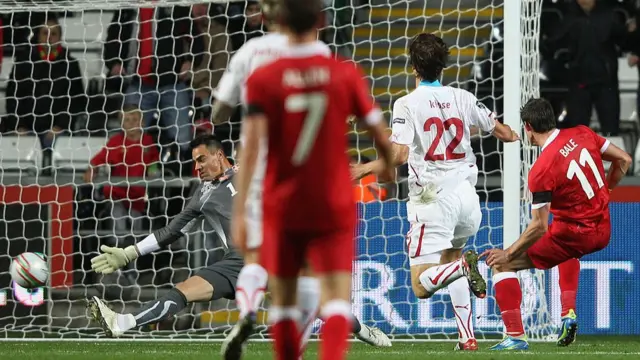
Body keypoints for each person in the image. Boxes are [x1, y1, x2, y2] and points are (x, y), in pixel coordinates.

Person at [214, 2, 391, 359]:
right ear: (323, 21)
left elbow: (247, 147)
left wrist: (240, 210)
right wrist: (386, 164)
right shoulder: (340, 71)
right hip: (332, 197)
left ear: (273, 18)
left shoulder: (263, 77)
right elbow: (380, 135)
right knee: (335, 297)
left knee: (281, 296)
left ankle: (256, 314)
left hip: (283, 196)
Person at [350, 32, 520, 351]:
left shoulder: (407, 103)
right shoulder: (464, 97)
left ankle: (463, 269)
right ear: (444, 66)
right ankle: (467, 337)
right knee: (452, 256)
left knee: (420, 285)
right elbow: (502, 131)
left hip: (431, 198)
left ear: (414, 67)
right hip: (468, 199)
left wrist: (361, 169)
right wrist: (514, 134)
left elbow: (399, 155)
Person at [482, 98, 631, 351]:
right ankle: (567, 313)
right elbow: (625, 160)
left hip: (574, 233)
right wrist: (605, 190)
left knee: (502, 263)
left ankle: (515, 337)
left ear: (528, 127)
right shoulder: (583, 133)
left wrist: (508, 252)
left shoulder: (541, 170)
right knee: (564, 246)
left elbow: (538, 226)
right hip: (603, 228)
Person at [86, 135, 244, 337]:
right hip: (238, 262)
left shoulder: (249, 171)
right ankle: (121, 323)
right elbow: (171, 231)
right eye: (195, 162)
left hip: (278, 250)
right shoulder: (203, 195)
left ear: (219, 155)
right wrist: (129, 253)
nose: (197, 167)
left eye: (202, 159)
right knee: (184, 290)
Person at [6, 15, 85, 148]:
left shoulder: (70, 64)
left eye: (53, 33)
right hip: (26, 128)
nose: (49, 37)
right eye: (45, 33)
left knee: (58, 145)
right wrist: (19, 126)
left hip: (58, 129)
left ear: (60, 37)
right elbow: (13, 96)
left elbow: (77, 100)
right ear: (38, 36)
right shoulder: (23, 62)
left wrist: (60, 126)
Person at [84, 105, 160, 233]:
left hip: (137, 194)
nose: (131, 123)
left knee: (136, 222)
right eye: (127, 120)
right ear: (122, 124)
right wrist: (92, 169)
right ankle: (117, 245)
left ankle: (136, 250)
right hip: (117, 192)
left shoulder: (147, 141)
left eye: (135, 119)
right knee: (118, 218)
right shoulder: (116, 141)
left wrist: (153, 170)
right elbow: (99, 158)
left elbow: (154, 159)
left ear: (142, 122)